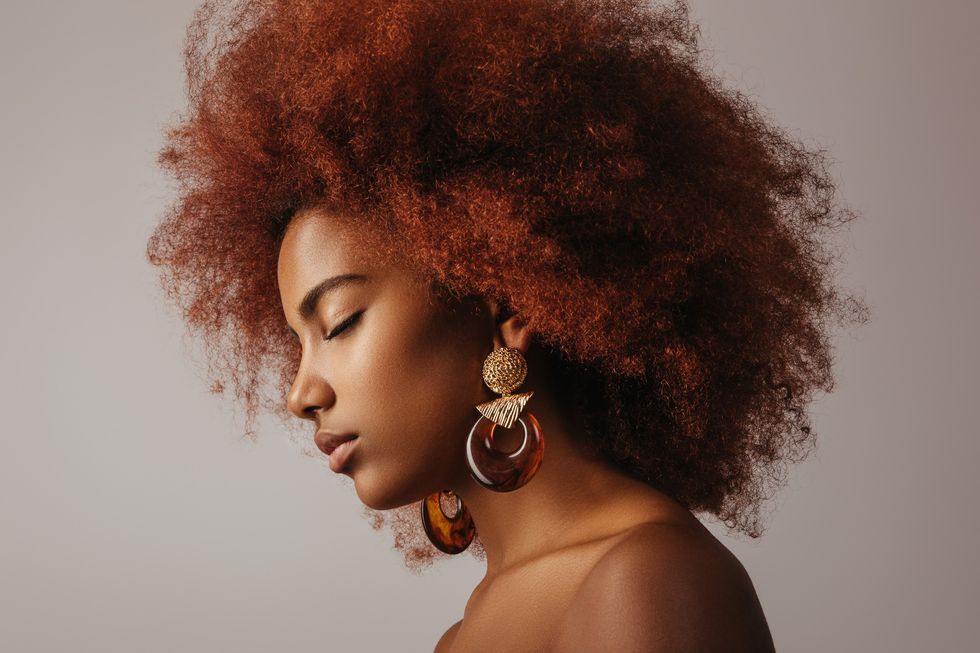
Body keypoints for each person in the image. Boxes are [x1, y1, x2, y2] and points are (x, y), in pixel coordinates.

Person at [147, 0, 864, 650]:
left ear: (508, 307)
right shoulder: (462, 637)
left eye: (338, 323)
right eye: (296, 342)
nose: (301, 393)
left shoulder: (646, 582)